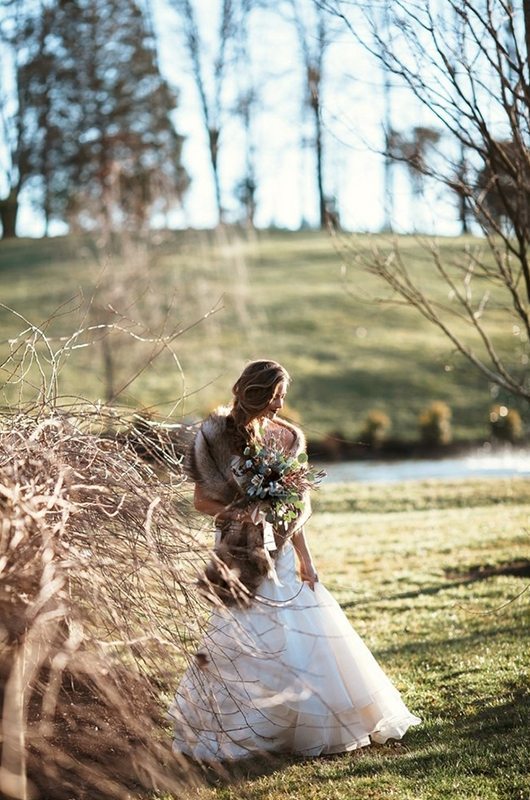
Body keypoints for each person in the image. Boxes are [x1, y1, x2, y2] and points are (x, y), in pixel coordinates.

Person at [169, 360, 420, 761]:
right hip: (238, 556)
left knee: (304, 629)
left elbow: (295, 506)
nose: (280, 406)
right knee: (241, 636)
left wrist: (306, 558)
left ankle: (312, 721)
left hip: (280, 550)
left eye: (283, 398)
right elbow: (201, 501)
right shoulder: (214, 436)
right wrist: (241, 512)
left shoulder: (289, 439)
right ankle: (245, 727)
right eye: (275, 397)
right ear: (255, 393)